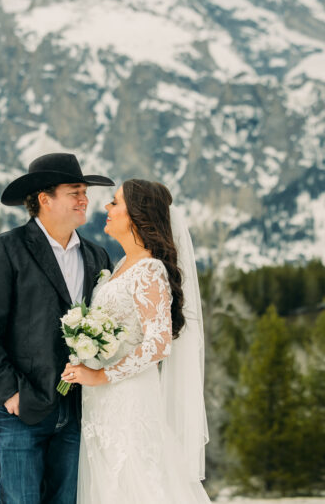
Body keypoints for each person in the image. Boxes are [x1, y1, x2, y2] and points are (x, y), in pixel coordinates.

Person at [0, 152, 114, 504]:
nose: (84, 200)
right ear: (45, 200)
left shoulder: (98, 257)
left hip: (79, 411)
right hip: (22, 408)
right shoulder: (5, 249)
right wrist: (9, 394)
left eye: (84, 192)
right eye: (74, 192)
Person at [61, 179, 210, 503]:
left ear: (137, 215)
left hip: (129, 400)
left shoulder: (149, 270)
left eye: (115, 203)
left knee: (136, 483)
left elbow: (158, 343)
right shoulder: (120, 267)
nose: (106, 208)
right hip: (101, 403)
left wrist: (100, 375)